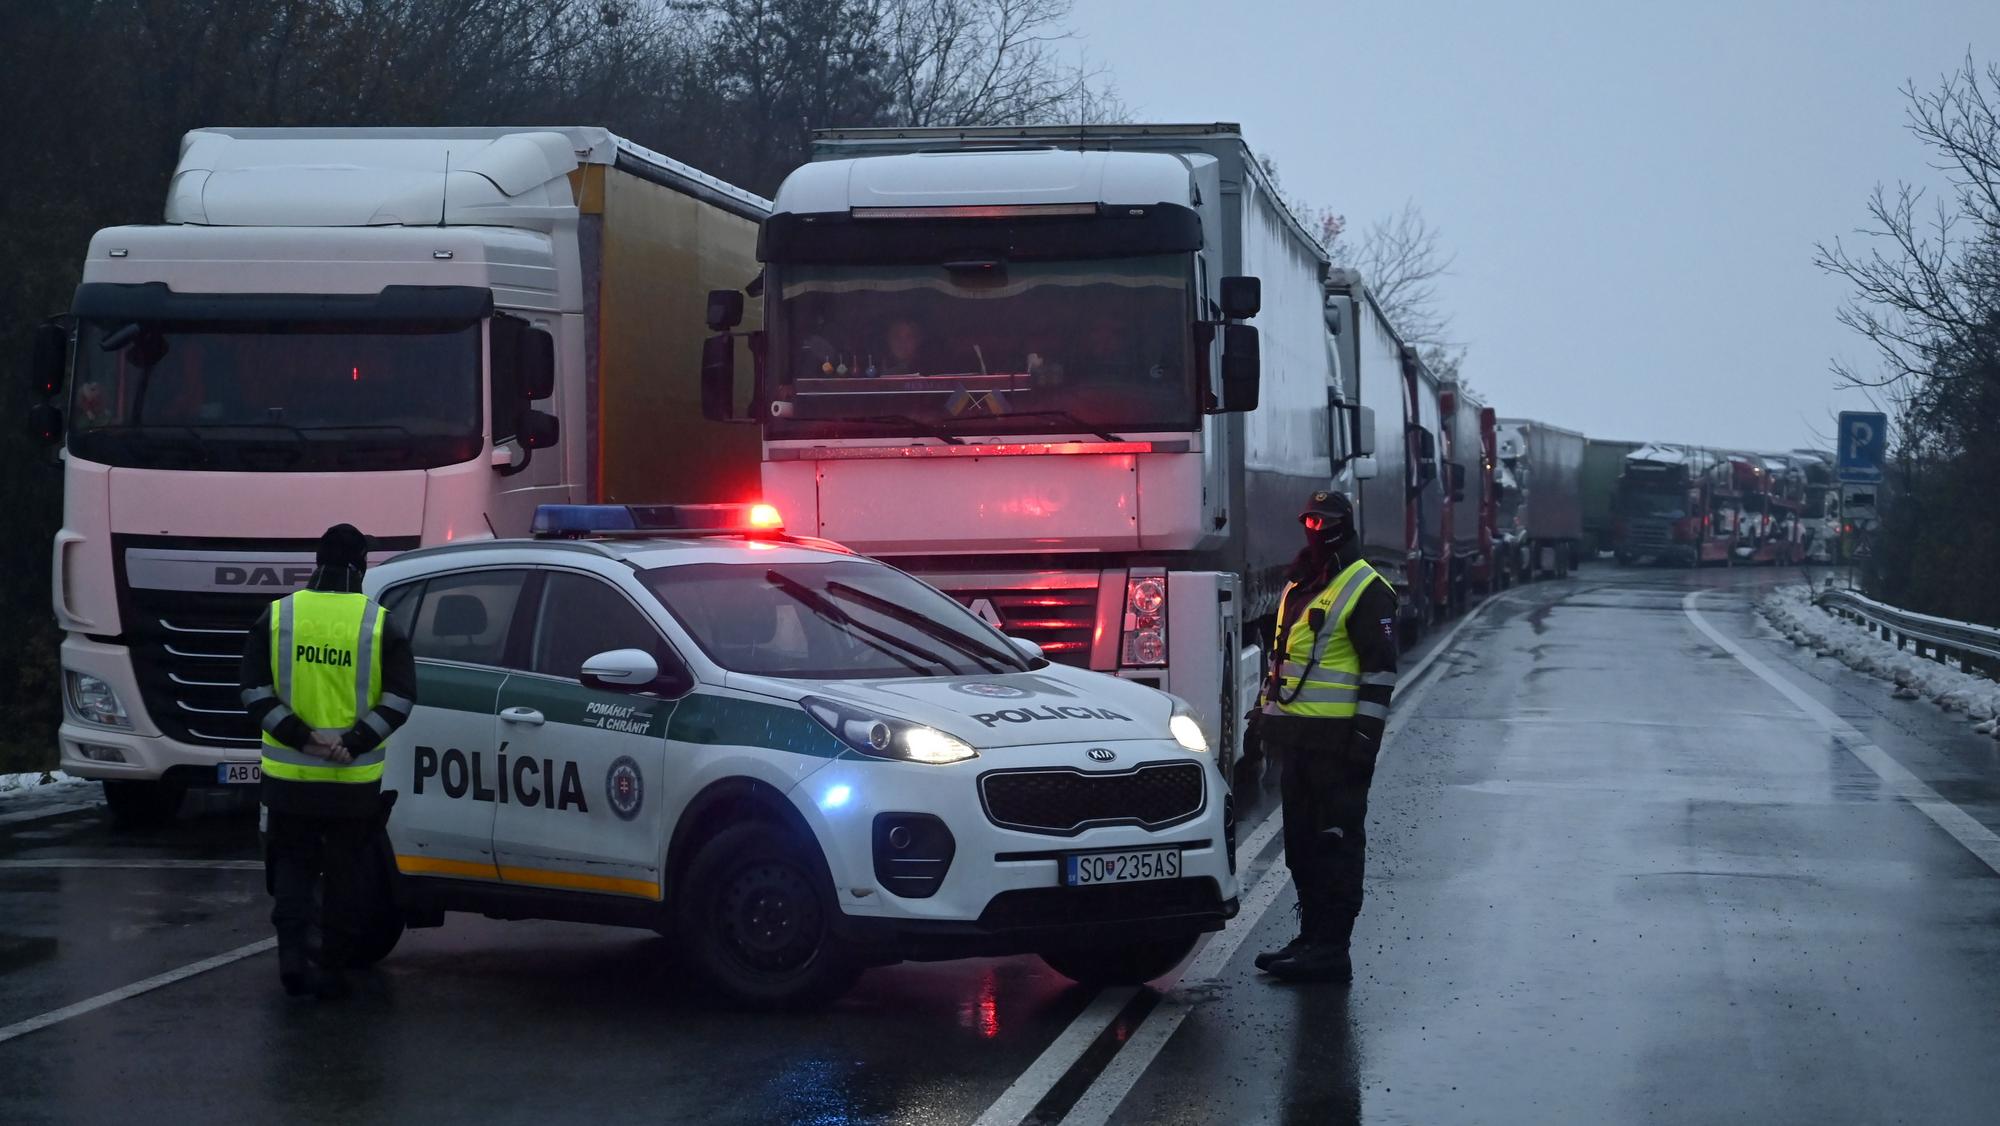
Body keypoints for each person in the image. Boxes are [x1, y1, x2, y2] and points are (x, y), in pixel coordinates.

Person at [238, 524, 416, 999]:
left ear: (317, 563)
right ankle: (333, 969)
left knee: (293, 868)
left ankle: (292, 958)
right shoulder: (379, 623)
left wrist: (301, 736)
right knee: (345, 876)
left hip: (289, 777)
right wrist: (353, 742)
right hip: (352, 783)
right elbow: (400, 698)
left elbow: (254, 692)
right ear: (359, 566)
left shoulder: (278, 616)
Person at [1252, 490, 1398, 984]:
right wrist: (1261, 719)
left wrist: (1364, 740)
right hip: (1295, 740)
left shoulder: (1366, 588)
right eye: (1309, 519)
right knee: (1301, 847)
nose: (1315, 527)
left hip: (1338, 746)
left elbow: (1380, 673)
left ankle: (1332, 949)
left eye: (1325, 520)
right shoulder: (1302, 584)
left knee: (1335, 847)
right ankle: (1310, 938)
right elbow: (1280, 662)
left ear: (1345, 524)